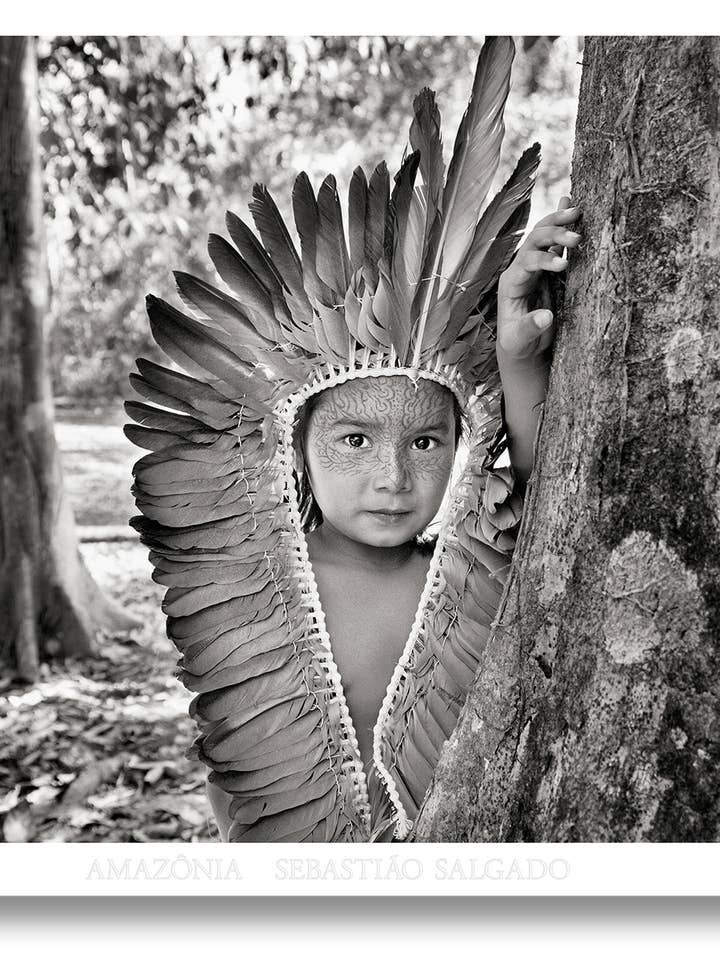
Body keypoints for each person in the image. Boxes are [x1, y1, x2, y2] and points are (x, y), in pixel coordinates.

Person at [126, 37, 581, 842]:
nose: (394, 479)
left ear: (461, 442)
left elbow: (560, 505)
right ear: (290, 444)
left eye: (427, 444)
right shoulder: (248, 575)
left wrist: (515, 357)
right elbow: (239, 762)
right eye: (354, 439)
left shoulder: (470, 570)